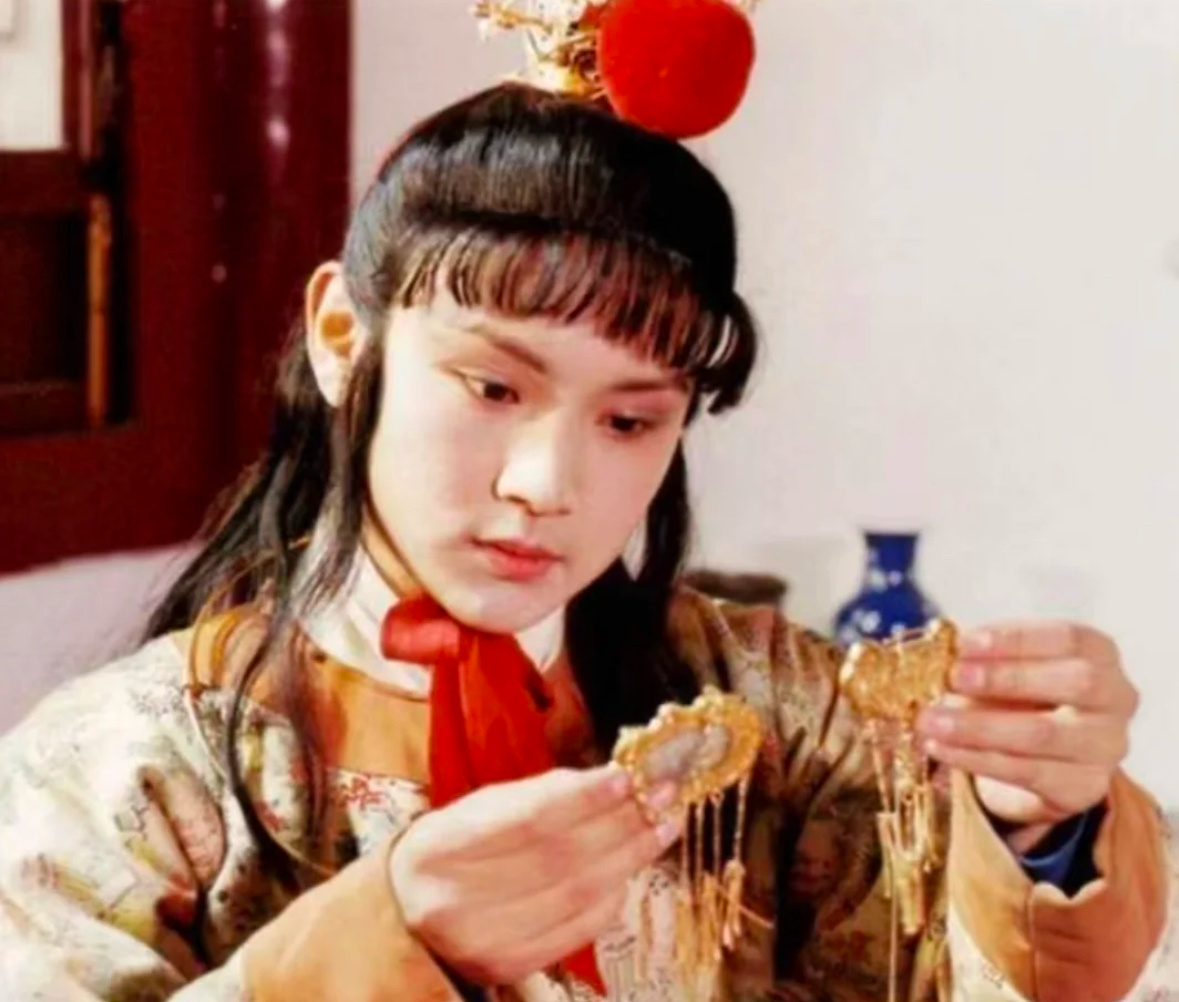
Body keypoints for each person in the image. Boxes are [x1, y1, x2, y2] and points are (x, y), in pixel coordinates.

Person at [0, 5, 1168, 1001]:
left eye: (629, 421)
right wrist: (387, 942)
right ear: (344, 336)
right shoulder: (119, 768)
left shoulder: (777, 715)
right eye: (493, 387)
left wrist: (1044, 825)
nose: (545, 487)